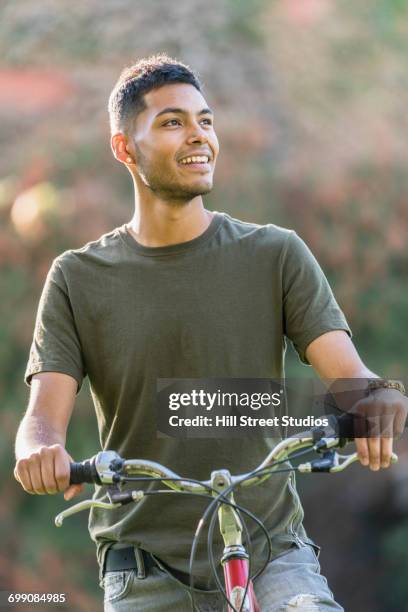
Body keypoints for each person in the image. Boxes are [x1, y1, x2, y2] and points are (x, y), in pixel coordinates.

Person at [14, 53, 407, 612]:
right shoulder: (79, 277)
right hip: (143, 567)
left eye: (205, 120)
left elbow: (352, 378)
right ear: (125, 148)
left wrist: (380, 397)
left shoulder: (274, 253)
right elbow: (41, 420)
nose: (199, 135)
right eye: (172, 122)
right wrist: (40, 451)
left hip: (272, 552)